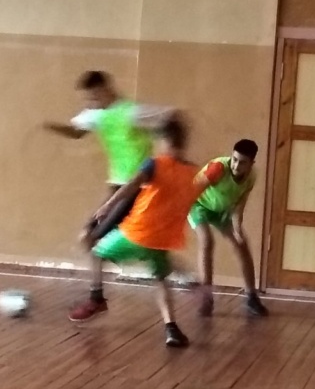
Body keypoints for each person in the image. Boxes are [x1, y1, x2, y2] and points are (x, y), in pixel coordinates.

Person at [68, 115, 214, 347]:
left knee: (96, 251)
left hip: (137, 233)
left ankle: (97, 298)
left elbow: (130, 186)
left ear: (164, 140)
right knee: (161, 280)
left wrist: (107, 206)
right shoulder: (193, 173)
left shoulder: (155, 164)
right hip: (163, 239)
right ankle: (172, 328)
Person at [44, 71, 172, 243]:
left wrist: (168, 152)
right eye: (87, 100)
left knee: (90, 238)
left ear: (105, 89)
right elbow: (76, 132)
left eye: (93, 98)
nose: (90, 104)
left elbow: (170, 119)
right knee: (100, 239)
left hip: (137, 186)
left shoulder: (133, 112)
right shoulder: (95, 114)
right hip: (116, 185)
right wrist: (50, 126)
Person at [190, 139, 267, 317]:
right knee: (207, 241)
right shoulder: (218, 168)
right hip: (199, 205)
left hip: (222, 210)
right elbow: (193, 191)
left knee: (241, 244)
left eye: (242, 162)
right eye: (234, 159)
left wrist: (238, 229)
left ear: (251, 164)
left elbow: (239, 205)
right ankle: (206, 298)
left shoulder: (251, 177)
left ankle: (251, 297)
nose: (236, 165)